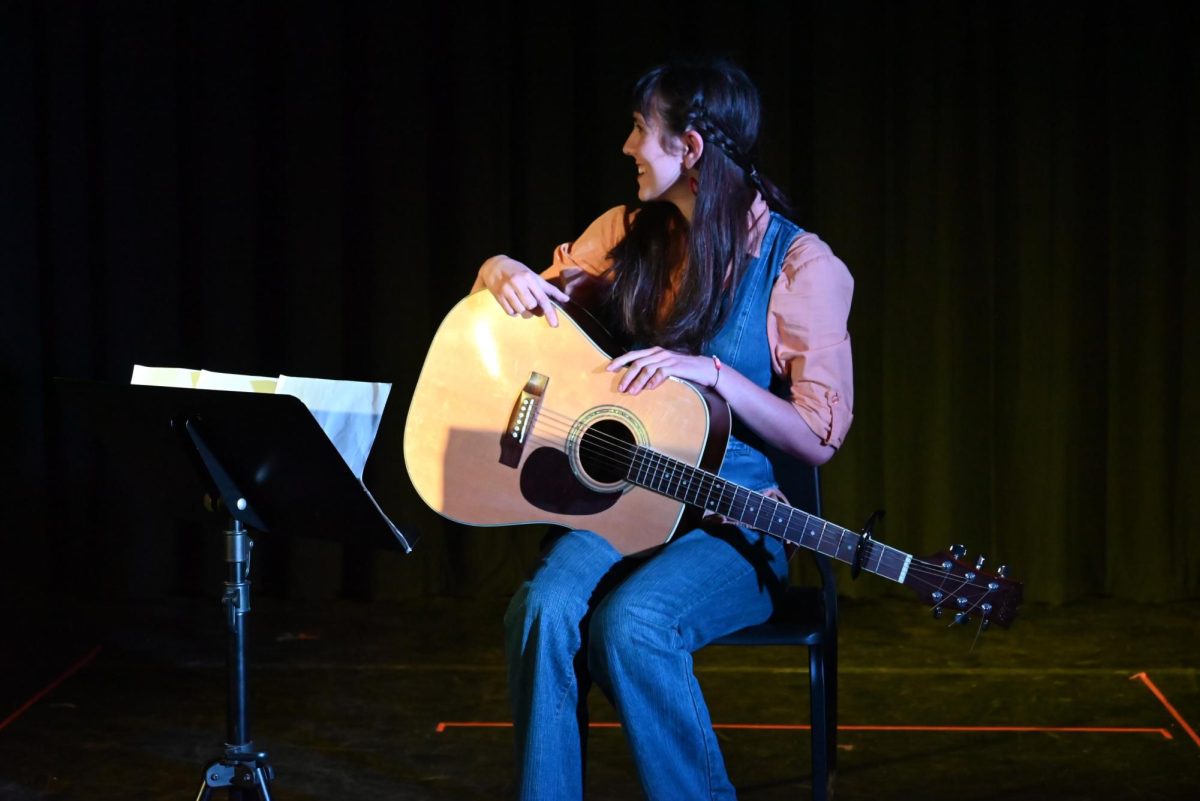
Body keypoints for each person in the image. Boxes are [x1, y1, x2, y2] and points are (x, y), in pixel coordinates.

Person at [472, 58, 854, 801]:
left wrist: (715, 374)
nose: (626, 146)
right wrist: (498, 270)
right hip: (628, 506)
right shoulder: (627, 234)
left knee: (632, 626)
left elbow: (819, 435)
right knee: (542, 610)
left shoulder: (799, 264)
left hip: (735, 523)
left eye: (641, 129)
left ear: (691, 149)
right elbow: (525, 315)